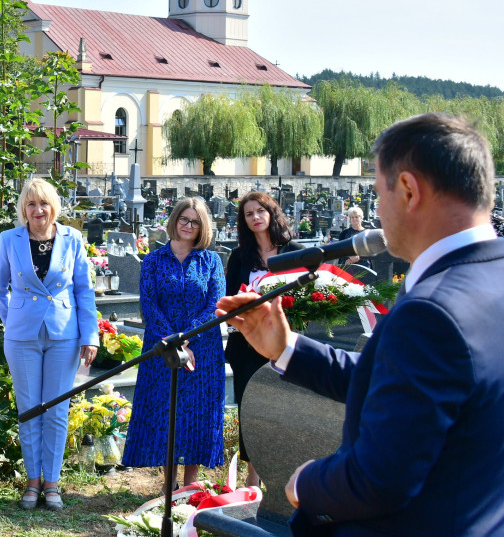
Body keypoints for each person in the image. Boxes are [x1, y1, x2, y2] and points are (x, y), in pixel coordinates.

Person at [217, 113, 504, 536]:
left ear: (407, 190)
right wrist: (287, 347)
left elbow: (382, 478)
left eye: (377, 193)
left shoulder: (432, 311)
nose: (376, 211)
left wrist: (307, 483)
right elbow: (397, 382)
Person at [0, 178, 98, 511]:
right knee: (29, 410)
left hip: (64, 335)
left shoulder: (73, 239)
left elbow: (84, 290)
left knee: (56, 409)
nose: (38, 210)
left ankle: (52, 483)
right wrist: (16, 320)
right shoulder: (9, 240)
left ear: (54, 207)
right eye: (31, 204)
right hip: (22, 336)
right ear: (24, 208)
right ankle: (32, 482)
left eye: (44, 204)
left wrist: (90, 335)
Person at [122, 197, 225, 488]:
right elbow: (149, 304)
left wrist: (188, 339)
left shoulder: (211, 261)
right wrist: (174, 342)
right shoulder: (154, 260)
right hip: (162, 348)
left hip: (202, 349)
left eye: (195, 221)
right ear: (174, 221)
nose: (189, 225)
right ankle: (170, 484)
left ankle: (191, 484)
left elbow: (214, 305)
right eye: (184, 219)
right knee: (167, 412)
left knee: (197, 413)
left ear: (202, 226)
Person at [224, 191, 302, 487]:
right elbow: (230, 299)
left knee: (282, 411)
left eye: (260, 211)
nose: (255, 217)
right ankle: (252, 479)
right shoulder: (239, 256)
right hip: (247, 345)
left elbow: (307, 297)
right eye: (248, 214)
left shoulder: (293, 250)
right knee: (252, 411)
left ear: (271, 213)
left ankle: (286, 476)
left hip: (285, 344)